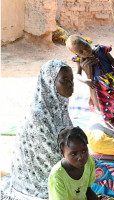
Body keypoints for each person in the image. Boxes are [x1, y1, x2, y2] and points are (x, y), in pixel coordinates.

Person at [1, 60, 74, 199]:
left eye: (71, 80)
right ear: (49, 83)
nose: (70, 85)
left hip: (66, 164)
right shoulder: (38, 116)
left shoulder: (60, 106)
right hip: (39, 181)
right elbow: (51, 159)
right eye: (64, 81)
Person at [66, 35, 114, 120]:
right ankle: (111, 116)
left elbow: (112, 61)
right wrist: (86, 81)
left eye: (85, 46)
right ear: (77, 54)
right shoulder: (80, 60)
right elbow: (77, 74)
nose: (85, 51)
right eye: (81, 52)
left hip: (113, 77)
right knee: (104, 100)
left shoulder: (101, 50)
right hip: (101, 84)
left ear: (87, 41)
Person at [48, 126, 98, 200]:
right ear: (62, 153)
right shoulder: (57, 177)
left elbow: (87, 189)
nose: (81, 157)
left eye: (84, 151)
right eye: (74, 154)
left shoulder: (89, 161)